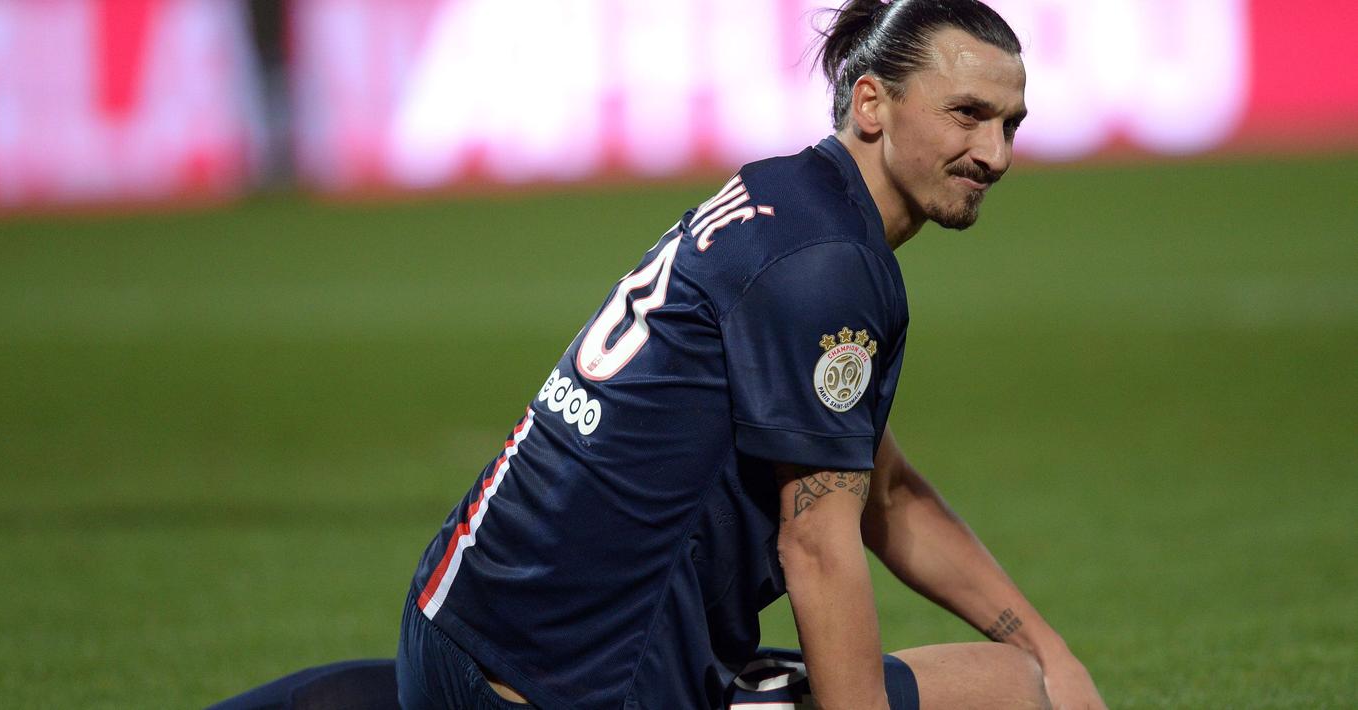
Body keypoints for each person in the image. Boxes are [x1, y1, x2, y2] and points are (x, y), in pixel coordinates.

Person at [391, 1, 1113, 708]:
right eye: (967, 114)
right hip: (566, 684)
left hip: (451, 632)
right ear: (872, 104)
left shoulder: (784, 199)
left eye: (1009, 124)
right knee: (1006, 691)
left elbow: (887, 494)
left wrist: (1052, 651)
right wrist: (1040, 673)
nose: (995, 154)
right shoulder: (829, 264)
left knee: (1031, 671)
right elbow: (818, 547)